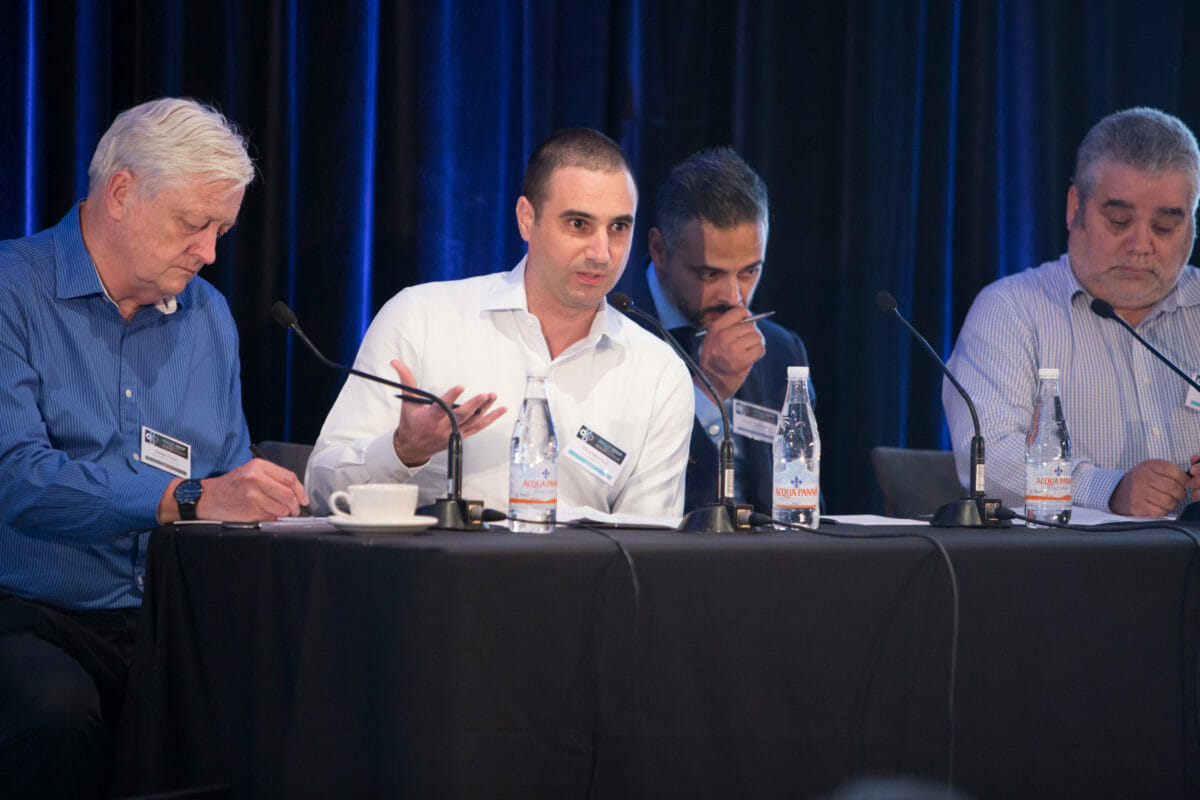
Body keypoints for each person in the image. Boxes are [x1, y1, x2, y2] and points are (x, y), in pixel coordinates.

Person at [0, 97, 308, 799]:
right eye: (194, 224)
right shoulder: (11, 291)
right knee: (56, 712)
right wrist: (185, 497)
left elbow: (226, 471)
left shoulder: (209, 316)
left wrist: (260, 498)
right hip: (27, 608)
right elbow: (16, 477)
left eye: (221, 230)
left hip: (169, 618)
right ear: (121, 193)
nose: (210, 252)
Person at [307, 128, 693, 518]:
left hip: (581, 561)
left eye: (618, 228)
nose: (601, 253)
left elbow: (650, 539)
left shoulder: (659, 373)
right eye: (578, 224)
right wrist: (403, 450)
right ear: (527, 219)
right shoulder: (422, 318)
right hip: (434, 558)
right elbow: (321, 488)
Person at [944, 107, 1200, 517]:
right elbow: (989, 459)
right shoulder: (1010, 310)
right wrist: (1108, 489)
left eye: (1165, 227)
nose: (1140, 245)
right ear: (1074, 207)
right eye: (1118, 221)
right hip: (1070, 556)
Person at [611, 147, 812, 513]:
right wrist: (706, 395)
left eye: (749, 272)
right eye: (709, 274)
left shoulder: (782, 350)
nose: (734, 298)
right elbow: (611, 486)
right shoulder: (608, 333)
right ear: (659, 249)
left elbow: (805, 500)